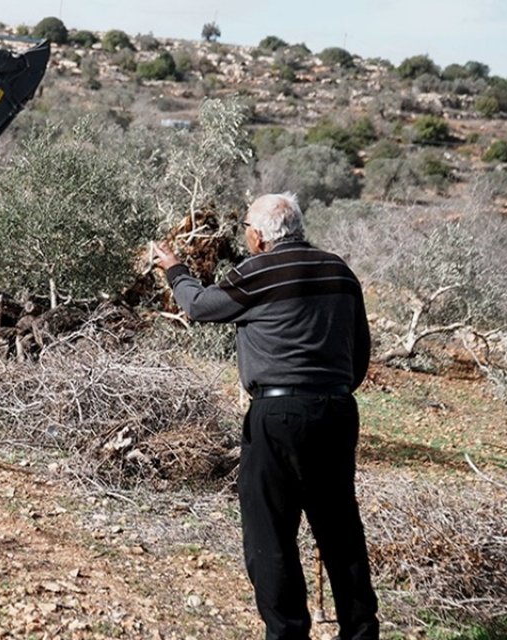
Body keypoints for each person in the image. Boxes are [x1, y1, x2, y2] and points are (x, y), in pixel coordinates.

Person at [152, 193, 379, 640]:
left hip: (276, 415)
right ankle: (361, 632)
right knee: (340, 530)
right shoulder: (339, 270)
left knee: (270, 533)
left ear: (257, 236)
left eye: (246, 230)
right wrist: (331, 390)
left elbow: (199, 306)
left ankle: (287, 633)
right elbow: (360, 349)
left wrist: (174, 269)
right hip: (336, 411)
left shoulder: (258, 272)